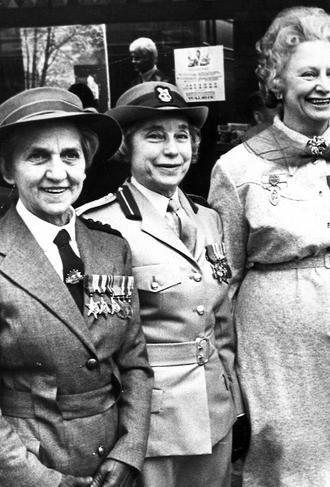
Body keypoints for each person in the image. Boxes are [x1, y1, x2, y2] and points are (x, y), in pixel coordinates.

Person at [208, 6, 330, 486]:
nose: (324, 85)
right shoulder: (238, 168)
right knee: (285, 456)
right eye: (308, 73)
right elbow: (223, 277)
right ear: (277, 82)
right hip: (277, 339)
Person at [78, 81, 243, 487]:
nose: (172, 150)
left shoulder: (208, 219)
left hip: (215, 413)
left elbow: (221, 321)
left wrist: (233, 403)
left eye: (181, 136)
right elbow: (102, 344)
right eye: (155, 136)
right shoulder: (100, 226)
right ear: (126, 149)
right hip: (152, 424)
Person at [0, 87, 152, 487]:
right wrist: (43, 480)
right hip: (32, 465)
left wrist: (128, 452)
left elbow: (134, 360)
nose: (58, 173)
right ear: (6, 169)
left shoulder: (110, 247)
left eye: (70, 156)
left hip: (111, 466)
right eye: (37, 156)